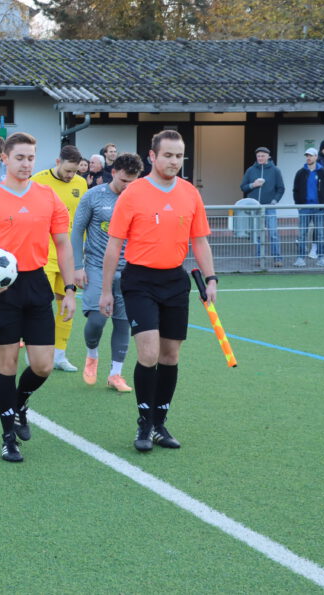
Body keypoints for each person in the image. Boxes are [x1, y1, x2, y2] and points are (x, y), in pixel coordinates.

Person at [99, 129, 217, 453]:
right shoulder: (133, 193)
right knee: (149, 354)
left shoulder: (190, 193)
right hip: (139, 281)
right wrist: (106, 290)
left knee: (170, 356)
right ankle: (144, 422)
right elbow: (114, 245)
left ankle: (160, 423)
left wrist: (211, 278)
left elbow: (199, 241)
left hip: (175, 281)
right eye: (168, 155)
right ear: (152, 156)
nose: (174, 161)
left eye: (179, 156)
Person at [0, 132, 76, 463]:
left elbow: (63, 245)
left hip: (37, 284)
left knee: (42, 365)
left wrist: (70, 289)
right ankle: (7, 438)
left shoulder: (48, 196)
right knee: (7, 365)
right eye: (20, 158)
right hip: (3, 291)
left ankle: (19, 402)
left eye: (31, 158)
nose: (26, 164)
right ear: (5, 159)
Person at [70, 153, 143, 393]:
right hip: (96, 267)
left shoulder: (139, 199)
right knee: (98, 319)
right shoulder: (93, 196)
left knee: (123, 322)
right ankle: (92, 354)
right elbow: (77, 230)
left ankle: (115, 374)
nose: (128, 186)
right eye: (123, 181)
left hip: (129, 270)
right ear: (113, 173)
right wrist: (77, 266)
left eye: (132, 181)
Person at [31, 144, 89, 372]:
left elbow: (82, 219)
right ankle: (36, 351)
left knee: (67, 304)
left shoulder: (81, 183)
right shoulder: (37, 181)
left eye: (75, 171)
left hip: (69, 255)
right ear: (57, 162)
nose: (71, 175)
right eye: (67, 170)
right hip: (43, 255)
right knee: (41, 306)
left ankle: (59, 355)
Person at [239, 146, 285, 267]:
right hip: (255, 208)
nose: (260, 158)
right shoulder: (250, 170)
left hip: (269, 207)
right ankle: (260, 258)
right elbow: (243, 187)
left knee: (273, 233)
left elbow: (281, 188)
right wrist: (253, 185)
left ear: (268, 156)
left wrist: (274, 201)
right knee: (258, 234)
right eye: (258, 156)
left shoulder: (275, 170)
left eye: (263, 156)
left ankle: (277, 258)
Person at [293, 148, 324, 267]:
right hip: (304, 208)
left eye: (310, 155)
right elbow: (295, 190)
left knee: (320, 234)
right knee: (302, 234)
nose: (308, 158)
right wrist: (299, 205)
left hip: (320, 208)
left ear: (316, 157)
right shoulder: (300, 173)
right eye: (307, 156)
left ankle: (321, 258)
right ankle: (300, 258)